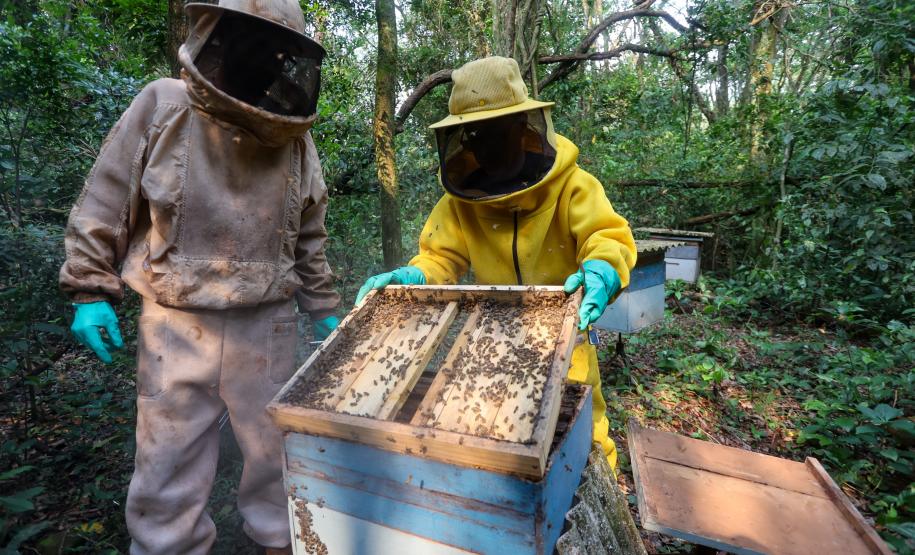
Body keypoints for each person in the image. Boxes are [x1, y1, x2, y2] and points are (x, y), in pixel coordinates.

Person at [58, 1, 339, 552]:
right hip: (174, 321)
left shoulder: (293, 137)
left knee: (275, 458)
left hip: (269, 324)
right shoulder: (164, 103)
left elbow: (309, 230)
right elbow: (108, 198)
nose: (260, 57)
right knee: (167, 458)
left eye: (274, 49)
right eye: (247, 40)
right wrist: (89, 286)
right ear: (218, 35)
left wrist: (323, 305)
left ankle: (281, 545)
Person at [357, 56, 636, 470]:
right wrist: (416, 274)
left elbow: (605, 236)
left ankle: (600, 513)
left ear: (523, 127)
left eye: (495, 132)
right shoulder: (459, 201)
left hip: (566, 337)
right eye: (474, 134)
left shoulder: (574, 187)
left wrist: (603, 269)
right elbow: (440, 256)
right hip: (493, 343)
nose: (483, 146)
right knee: (500, 440)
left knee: (584, 439)